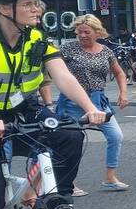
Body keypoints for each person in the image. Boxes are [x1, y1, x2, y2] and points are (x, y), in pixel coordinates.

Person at [0, 0, 107, 209]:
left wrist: (90, 108)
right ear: (5, 8)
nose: (36, 9)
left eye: (36, 3)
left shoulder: (36, 37)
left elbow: (63, 76)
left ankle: (57, 201)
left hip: (24, 109)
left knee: (70, 134)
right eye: (28, 4)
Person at [55, 14, 130, 193]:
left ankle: (110, 177)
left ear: (97, 32)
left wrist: (123, 93)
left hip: (98, 101)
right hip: (72, 103)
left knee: (115, 136)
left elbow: (119, 73)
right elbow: (54, 70)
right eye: (79, 32)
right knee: (71, 142)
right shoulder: (68, 49)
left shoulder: (106, 51)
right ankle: (68, 183)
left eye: (87, 32)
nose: (82, 35)